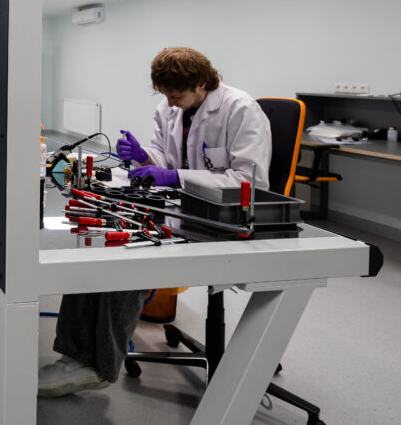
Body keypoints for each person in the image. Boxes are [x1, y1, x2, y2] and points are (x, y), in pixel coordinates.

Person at [38, 47, 271, 397]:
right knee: (99, 237)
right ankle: (73, 354)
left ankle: (98, 367)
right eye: (165, 95)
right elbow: (166, 156)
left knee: (128, 255)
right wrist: (144, 156)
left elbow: (248, 182)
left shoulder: (241, 110)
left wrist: (175, 177)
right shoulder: (170, 107)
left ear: (202, 83)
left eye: (176, 95)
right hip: (181, 209)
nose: (171, 103)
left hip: (225, 221)